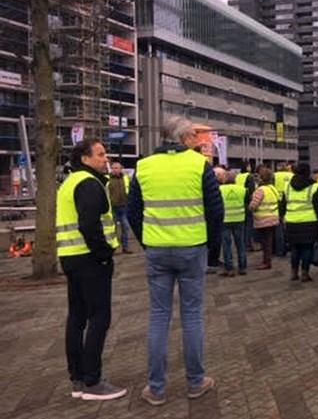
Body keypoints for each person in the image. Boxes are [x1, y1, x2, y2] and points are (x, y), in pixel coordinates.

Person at [128, 116, 222, 405]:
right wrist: (213, 252)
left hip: (157, 249)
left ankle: (156, 388)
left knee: (158, 317)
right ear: (183, 138)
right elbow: (216, 212)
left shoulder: (143, 167)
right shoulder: (199, 166)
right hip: (192, 248)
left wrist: (148, 242)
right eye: (194, 135)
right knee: (192, 316)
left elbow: (133, 212)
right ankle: (195, 382)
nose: (197, 139)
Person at [57, 138, 125, 401]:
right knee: (99, 317)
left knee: (76, 318)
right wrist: (104, 254)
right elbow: (89, 224)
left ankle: (77, 379)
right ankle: (92, 381)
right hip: (90, 260)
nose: (105, 159)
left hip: (71, 257)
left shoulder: (69, 183)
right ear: (85, 159)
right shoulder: (89, 184)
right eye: (100, 154)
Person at [280, 163, 318, 282]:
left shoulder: (287, 186)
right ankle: (305, 273)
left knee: (294, 248)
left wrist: (282, 217)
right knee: (307, 248)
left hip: (291, 221)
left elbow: (282, 204)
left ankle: (293, 272)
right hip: (309, 222)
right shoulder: (314, 187)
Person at [218, 169, 248, 276]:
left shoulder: (220, 189)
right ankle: (242, 267)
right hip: (239, 219)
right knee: (240, 244)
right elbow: (247, 203)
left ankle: (229, 268)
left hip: (225, 220)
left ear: (225, 178)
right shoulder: (242, 189)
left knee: (226, 245)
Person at [249, 168, 280, 269]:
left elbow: (253, 205)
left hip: (262, 220)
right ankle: (267, 260)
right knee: (269, 241)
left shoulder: (260, 190)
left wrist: (250, 207)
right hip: (273, 218)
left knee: (265, 243)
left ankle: (266, 262)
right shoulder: (273, 189)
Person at [107, 161, 132, 254]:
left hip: (124, 207)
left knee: (126, 228)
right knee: (113, 229)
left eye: (118, 168)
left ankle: (125, 247)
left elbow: (129, 190)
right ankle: (113, 248)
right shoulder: (107, 179)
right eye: (114, 168)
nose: (116, 170)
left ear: (121, 169)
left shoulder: (125, 178)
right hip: (112, 208)